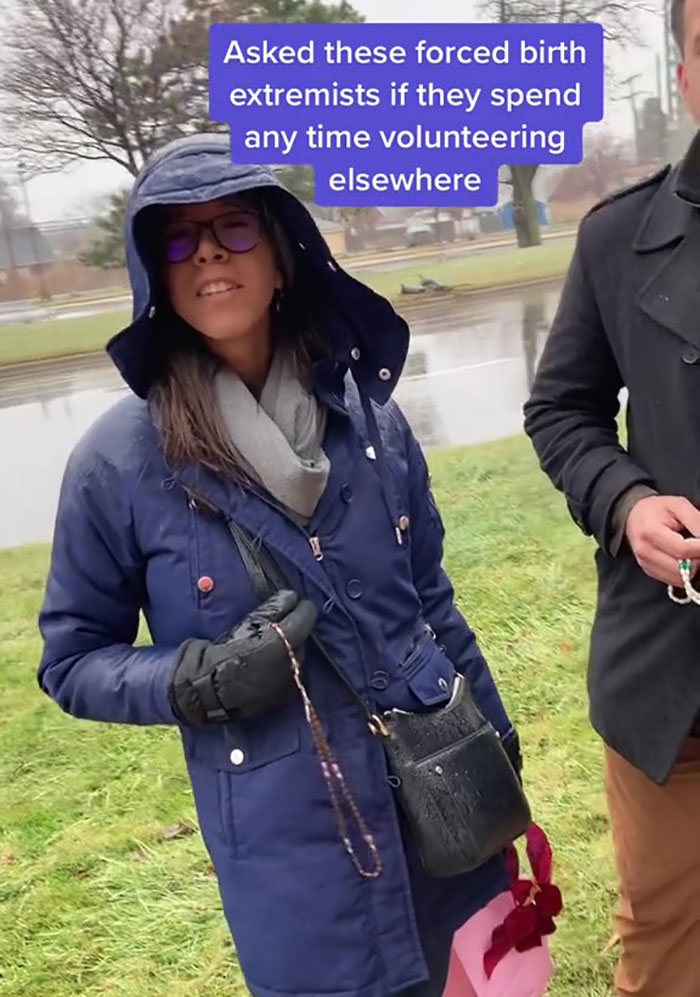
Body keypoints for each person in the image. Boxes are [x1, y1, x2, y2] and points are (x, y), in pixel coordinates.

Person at [37, 132, 524, 997]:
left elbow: (431, 603)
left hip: (439, 798)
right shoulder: (119, 462)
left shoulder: (371, 421)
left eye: (234, 227)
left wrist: (497, 746)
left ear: (282, 253)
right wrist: (195, 682)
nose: (209, 254)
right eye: (179, 240)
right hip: (291, 856)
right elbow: (72, 660)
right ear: (155, 277)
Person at [523, 2, 700, 994]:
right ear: (683, 77)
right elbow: (561, 412)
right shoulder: (617, 237)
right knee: (666, 941)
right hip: (674, 681)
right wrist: (628, 503)